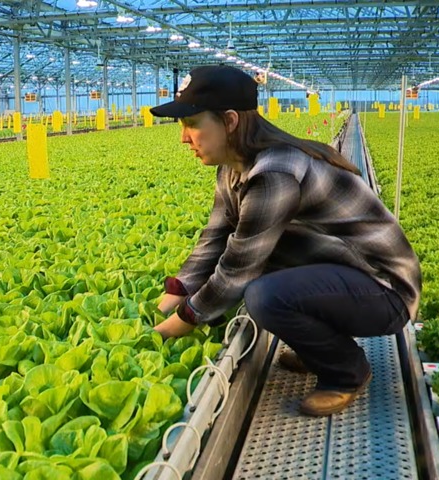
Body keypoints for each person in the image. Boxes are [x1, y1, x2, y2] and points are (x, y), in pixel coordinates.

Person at [149, 65, 421, 416]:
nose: (184, 138)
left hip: (386, 290)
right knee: (267, 277)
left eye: (192, 124)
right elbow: (214, 239)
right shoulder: (232, 168)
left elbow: (236, 268)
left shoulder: (274, 172)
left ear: (229, 121)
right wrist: (171, 297)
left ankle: (346, 372)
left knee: (263, 295)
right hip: (346, 275)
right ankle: (319, 349)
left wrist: (177, 323)